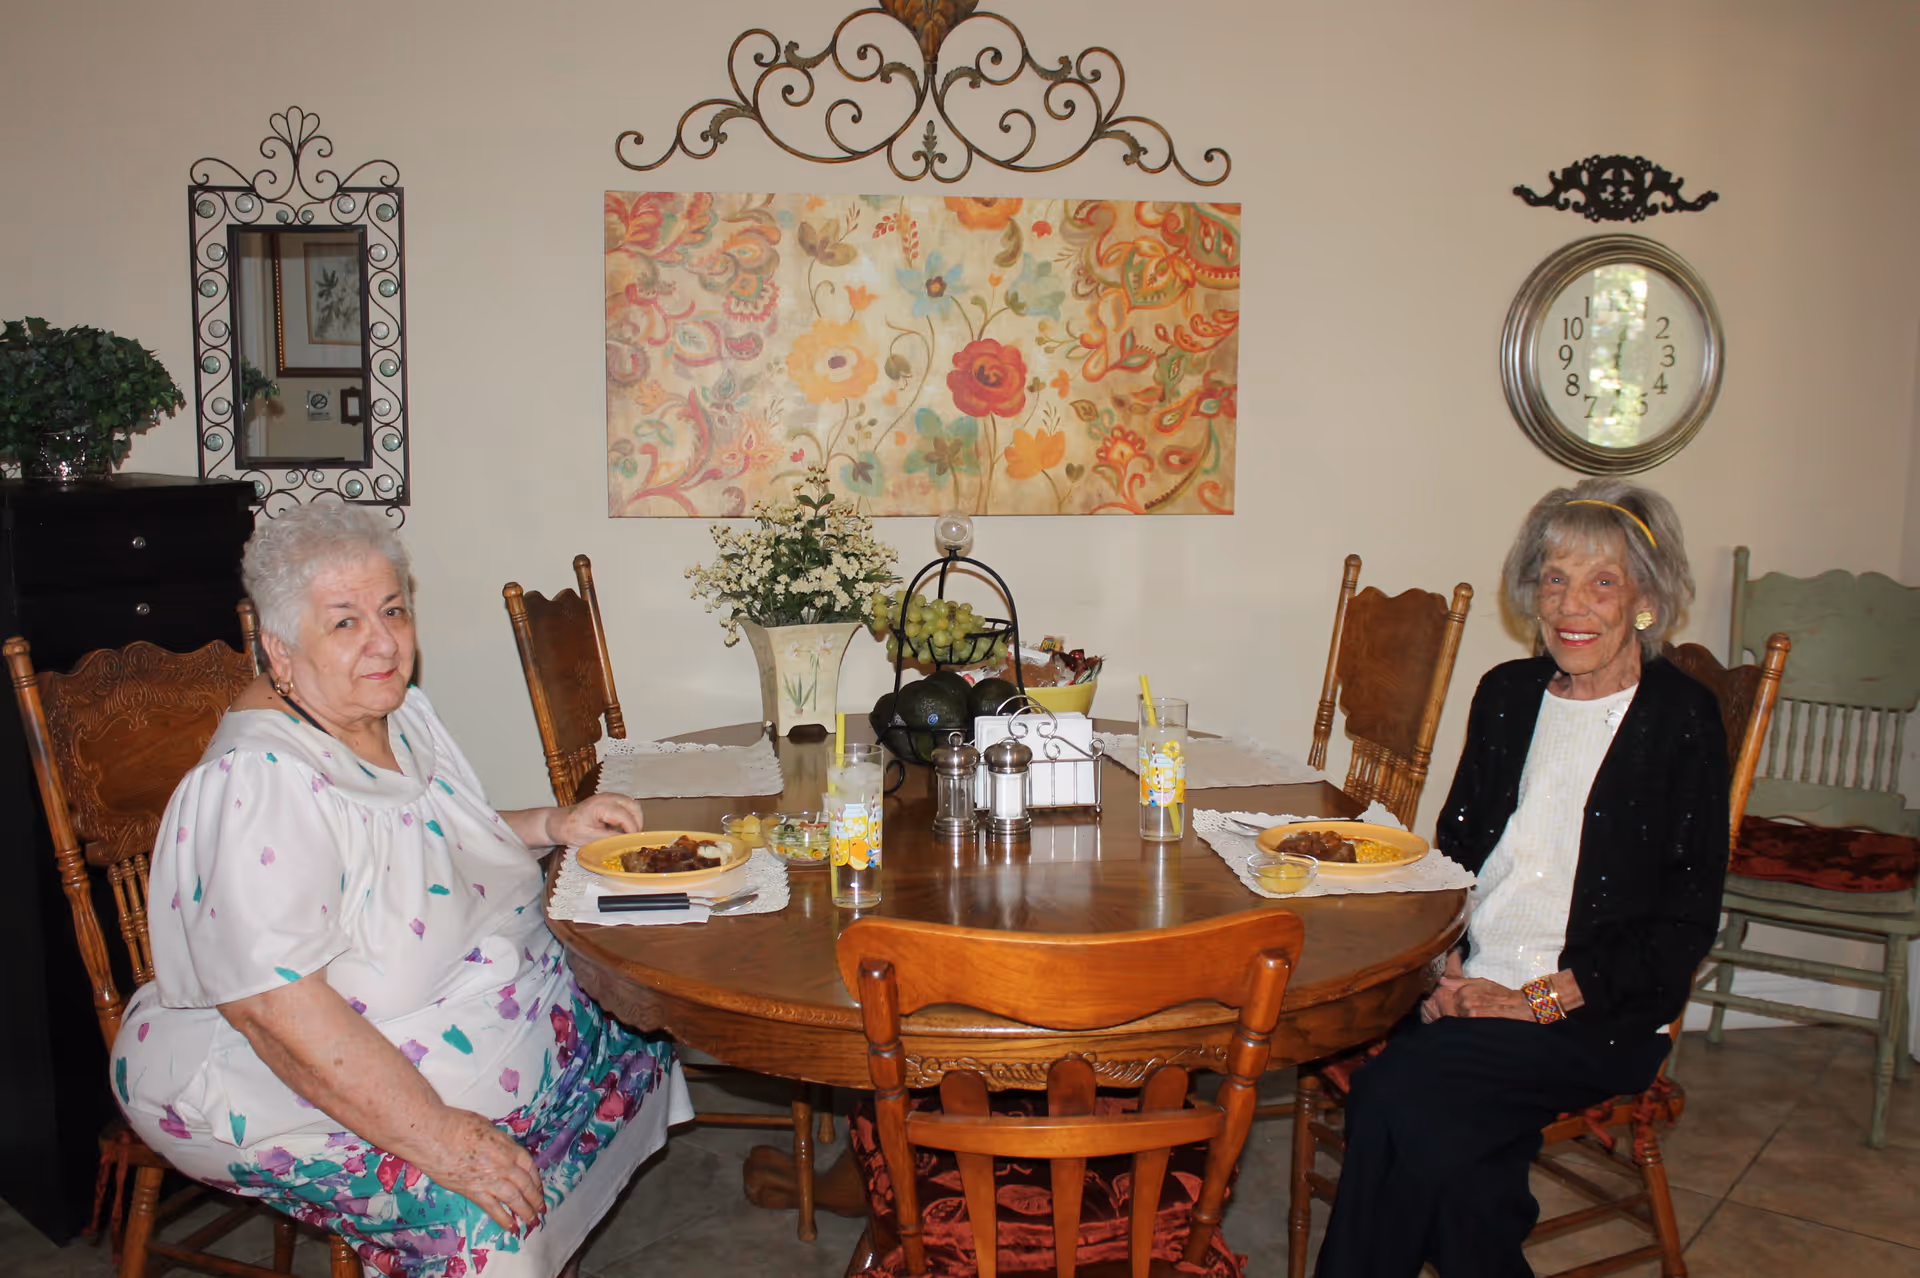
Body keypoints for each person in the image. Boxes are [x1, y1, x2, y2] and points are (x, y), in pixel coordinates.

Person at [112, 504, 691, 1278]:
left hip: (455, 1009)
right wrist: (442, 1139)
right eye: (345, 623)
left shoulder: (397, 711)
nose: (383, 642)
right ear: (279, 653)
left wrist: (553, 821)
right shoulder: (258, 784)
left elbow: (432, 833)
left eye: (392, 610)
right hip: (267, 1064)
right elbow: (273, 1012)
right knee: (489, 1224)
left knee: (642, 1029)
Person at [1314, 479, 1730, 1278]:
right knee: (1451, 1151)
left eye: (1602, 582)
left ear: (1644, 597)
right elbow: (1455, 858)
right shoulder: (1506, 694)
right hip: (1469, 985)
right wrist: (1441, 968)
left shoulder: (1682, 719)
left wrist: (1530, 1002)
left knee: (1394, 1099)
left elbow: (1684, 924)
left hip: (1593, 1013)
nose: (1573, 605)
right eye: (1554, 579)